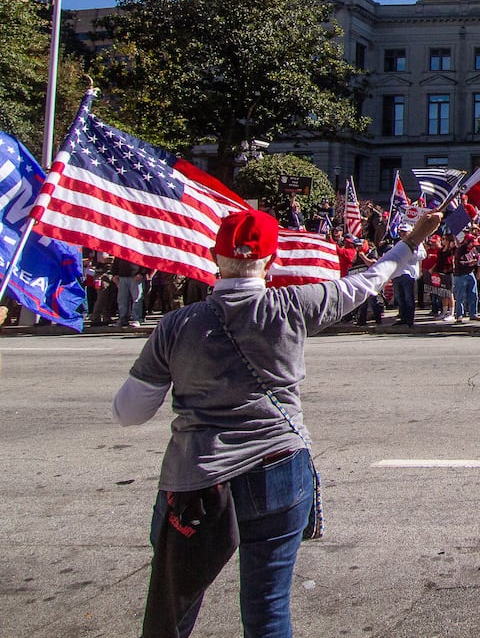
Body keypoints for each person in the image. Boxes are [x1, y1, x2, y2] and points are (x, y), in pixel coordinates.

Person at [112, 207, 444, 638]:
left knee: (172, 611)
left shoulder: (177, 325)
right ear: (270, 261)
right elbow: (367, 281)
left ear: (215, 257)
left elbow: (129, 412)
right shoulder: (292, 306)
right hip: (278, 468)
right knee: (267, 609)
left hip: (198, 476)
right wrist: (411, 240)